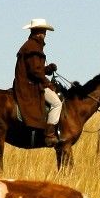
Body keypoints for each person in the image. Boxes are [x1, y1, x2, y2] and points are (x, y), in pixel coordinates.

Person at [13, 18, 63, 147]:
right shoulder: (33, 47)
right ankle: (50, 134)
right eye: (44, 32)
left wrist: (48, 69)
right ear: (38, 32)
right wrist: (48, 84)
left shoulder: (30, 45)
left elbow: (36, 69)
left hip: (29, 82)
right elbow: (35, 72)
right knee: (57, 103)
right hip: (30, 85)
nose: (45, 34)